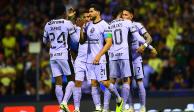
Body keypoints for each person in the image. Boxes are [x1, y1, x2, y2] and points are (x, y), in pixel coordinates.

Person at [77, 4, 123, 112]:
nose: (89, 13)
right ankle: (98, 108)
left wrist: (98, 55)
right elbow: (82, 41)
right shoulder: (88, 25)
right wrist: (81, 27)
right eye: (89, 11)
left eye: (91, 11)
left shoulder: (105, 25)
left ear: (98, 12)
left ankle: (119, 98)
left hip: (101, 59)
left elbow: (109, 43)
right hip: (90, 60)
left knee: (104, 82)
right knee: (93, 83)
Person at [42, 2, 78, 112]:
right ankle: (64, 102)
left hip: (53, 56)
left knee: (58, 82)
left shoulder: (48, 24)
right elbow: (76, 40)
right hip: (64, 54)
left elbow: (44, 41)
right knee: (72, 79)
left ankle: (61, 109)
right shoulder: (67, 23)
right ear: (64, 12)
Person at [121, 7, 157, 112]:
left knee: (139, 82)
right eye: (123, 15)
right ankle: (131, 106)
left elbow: (149, 38)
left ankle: (142, 107)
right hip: (125, 58)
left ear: (131, 16)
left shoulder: (137, 25)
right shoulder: (120, 26)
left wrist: (144, 46)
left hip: (136, 58)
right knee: (128, 83)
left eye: (126, 15)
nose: (124, 17)